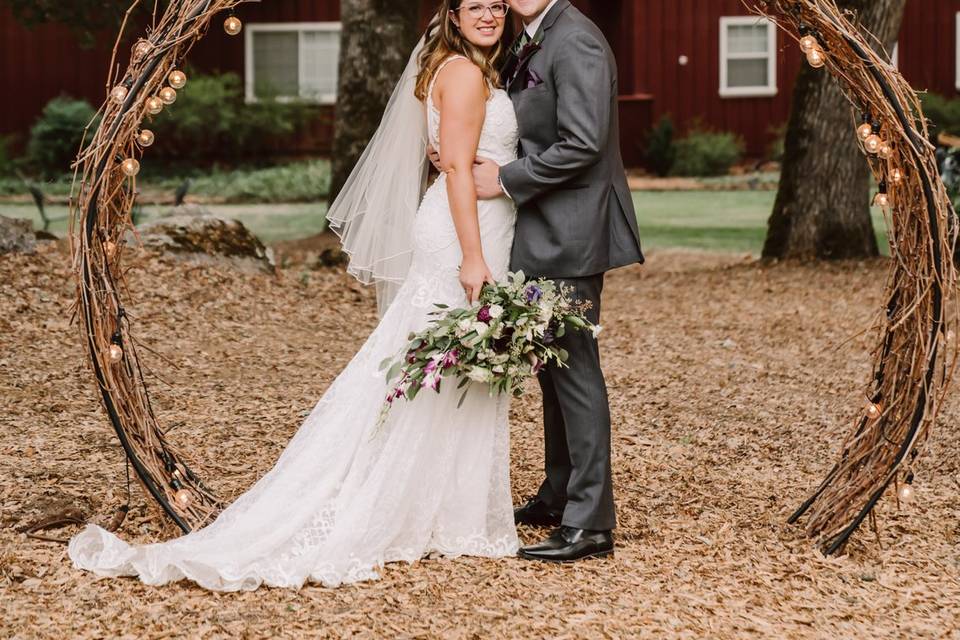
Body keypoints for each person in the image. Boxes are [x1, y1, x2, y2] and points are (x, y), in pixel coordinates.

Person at [67, 0, 523, 591]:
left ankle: (446, 509)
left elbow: (455, 159)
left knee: (447, 369)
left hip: (472, 227)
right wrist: (473, 257)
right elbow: (458, 170)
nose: (488, 15)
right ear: (453, 15)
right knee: (438, 368)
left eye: (496, 5)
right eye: (475, 6)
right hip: (466, 236)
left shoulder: (464, 68)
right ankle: (408, 507)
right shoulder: (462, 72)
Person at [476, 0, 644, 562]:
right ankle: (559, 493)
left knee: (573, 368)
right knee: (549, 366)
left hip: (572, 231)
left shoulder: (578, 41)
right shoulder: (534, 35)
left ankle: (591, 522)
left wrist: (503, 178)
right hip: (544, 228)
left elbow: (583, 142)